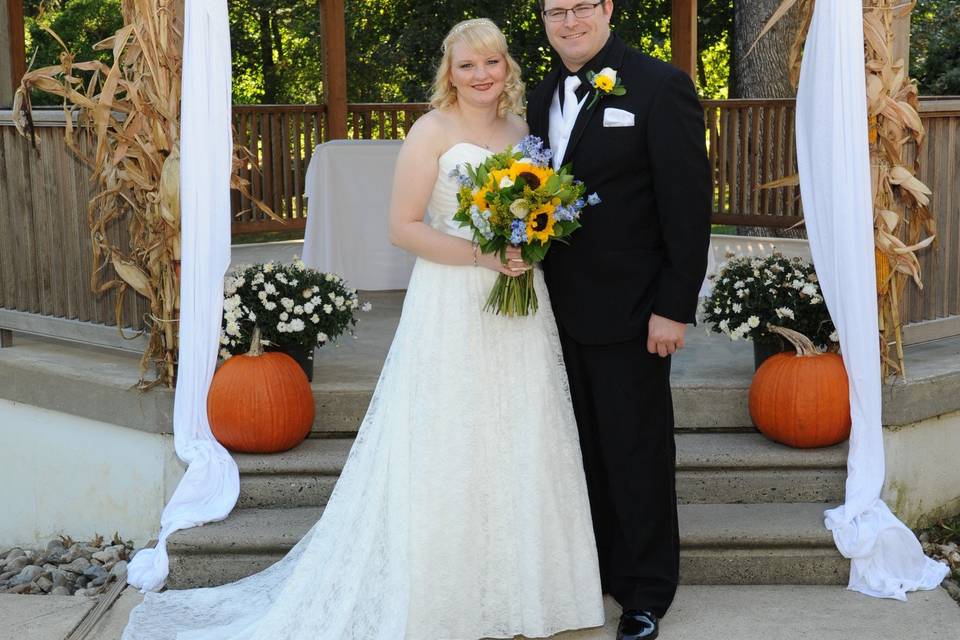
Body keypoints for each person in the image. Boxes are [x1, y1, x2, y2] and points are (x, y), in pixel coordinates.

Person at [121, 18, 605, 640]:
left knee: (519, 429)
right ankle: (443, 598)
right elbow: (402, 227)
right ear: (449, 74)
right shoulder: (430, 132)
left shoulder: (522, 132)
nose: (482, 75)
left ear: (507, 67)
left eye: (493, 63)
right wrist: (483, 255)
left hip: (517, 302)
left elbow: (539, 211)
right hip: (453, 299)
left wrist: (527, 243)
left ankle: (523, 595)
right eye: (467, 66)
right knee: (449, 435)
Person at [527, 1, 712, 639]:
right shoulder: (540, 94)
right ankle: (600, 570)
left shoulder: (660, 86)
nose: (570, 21)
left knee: (636, 451)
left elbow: (688, 207)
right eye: (557, 10)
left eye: (583, 6)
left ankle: (646, 592)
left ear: (608, 8)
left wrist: (672, 306)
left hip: (634, 311)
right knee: (580, 449)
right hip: (548, 312)